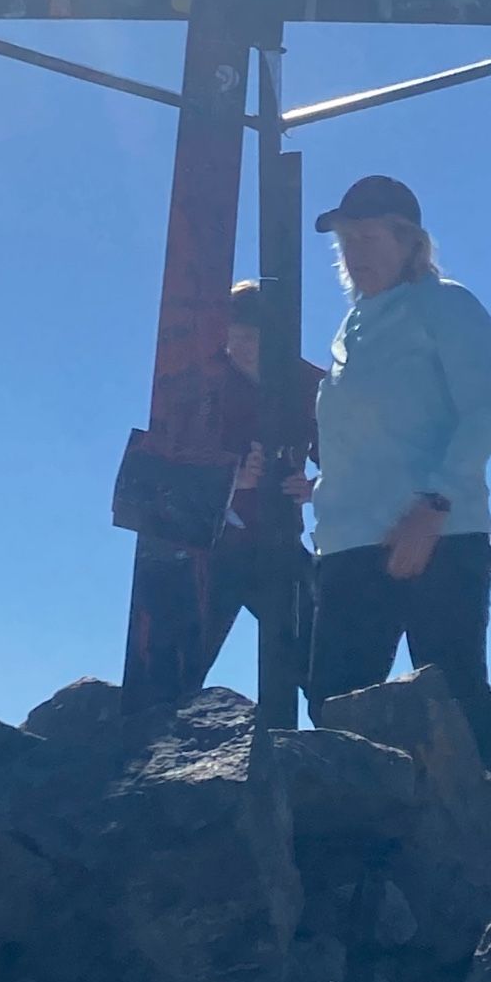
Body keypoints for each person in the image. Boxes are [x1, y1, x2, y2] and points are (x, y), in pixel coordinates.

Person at [302, 174, 491, 823]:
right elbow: (365, 444)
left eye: (369, 236)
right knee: (334, 701)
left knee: (455, 693)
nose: (355, 251)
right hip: (349, 543)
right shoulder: (351, 328)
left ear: (411, 242)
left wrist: (433, 504)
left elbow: (483, 414)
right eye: (346, 240)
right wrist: (315, 495)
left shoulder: (446, 306)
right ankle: (367, 855)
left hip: (435, 531)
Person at [196, 279, 323, 682]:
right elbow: (174, 464)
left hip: (280, 540)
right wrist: (231, 482)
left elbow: (351, 457)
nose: (240, 347)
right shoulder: (202, 384)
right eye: (231, 338)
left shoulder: (310, 385)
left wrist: (316, 486)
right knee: (180, 665)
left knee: (319, 662)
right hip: (212, 546)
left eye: (250, 337)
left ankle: (337, 741)